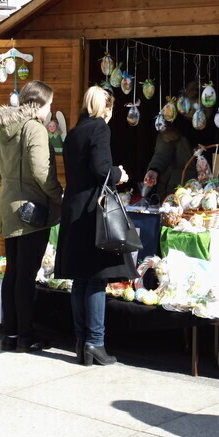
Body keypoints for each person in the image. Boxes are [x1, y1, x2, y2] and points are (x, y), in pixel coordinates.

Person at [54, 85, 136, 366]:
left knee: (80, 280)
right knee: (97, 279)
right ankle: (96, 343)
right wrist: (119, 174)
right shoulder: (100, 128)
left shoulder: (75, 131)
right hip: (93, 212)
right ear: (106, 108)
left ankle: (80, 342)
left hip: (74, 207)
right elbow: (102, 170)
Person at [0, 80, 63, 353]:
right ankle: (26, 337)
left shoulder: (7, 127)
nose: (51, 110)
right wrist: (58, 195)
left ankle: (10, 334)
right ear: (39, 105)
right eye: (50, 104)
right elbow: (42, 171)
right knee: (25, 277)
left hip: (8, 206)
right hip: (32, 209)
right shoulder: (35, 129)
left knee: (13, 273)